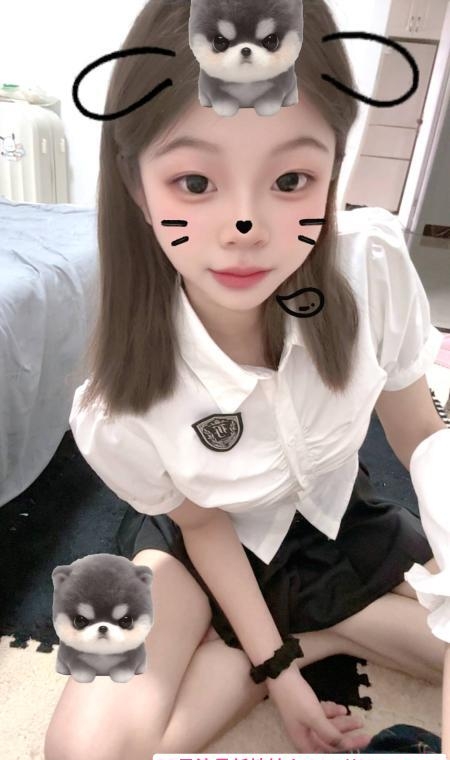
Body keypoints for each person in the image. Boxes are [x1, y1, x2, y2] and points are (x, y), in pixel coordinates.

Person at [44, 1, 449, 758]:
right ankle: (299, 630)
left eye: (291, 178)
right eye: (195, 182)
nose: (246, 227)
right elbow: (202, 525)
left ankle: (323, 626)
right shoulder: (114, 406)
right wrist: (279, 674)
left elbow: (421, 433)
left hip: (335, 518)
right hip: (206, 547)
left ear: (332, 169)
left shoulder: (370, 268)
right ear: (137, 186)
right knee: (84, 751)